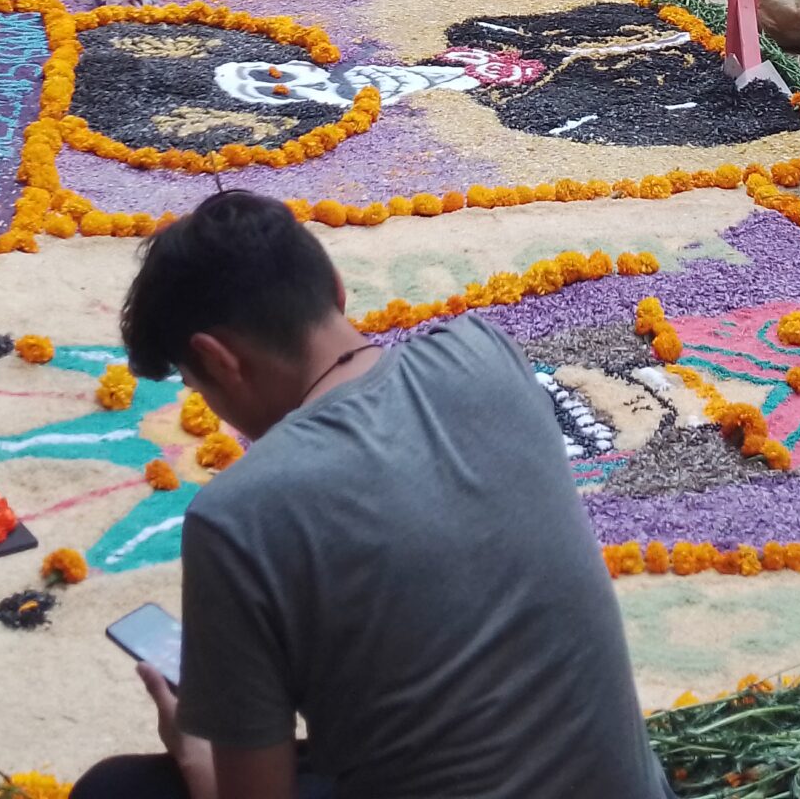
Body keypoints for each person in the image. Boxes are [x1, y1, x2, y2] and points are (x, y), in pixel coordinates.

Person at [73, 191, 672, 799]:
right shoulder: (484, 351)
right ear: (336, 289)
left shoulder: (238, 515)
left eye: (197, 386)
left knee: (115, 790)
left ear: (218, 359)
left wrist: (195, 755)